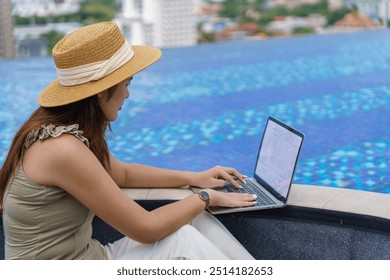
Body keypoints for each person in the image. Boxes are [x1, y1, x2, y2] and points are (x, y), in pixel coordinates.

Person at [0, 22, 255, 260]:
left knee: (193, 220)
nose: (128, 93)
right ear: (101, 89)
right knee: (185, 237)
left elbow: (120, 174)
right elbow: (146, 229)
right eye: (126, 83)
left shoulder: (58, 130)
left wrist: (194, 177)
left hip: (90, 257)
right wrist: (205, 197)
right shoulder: (62, 148)